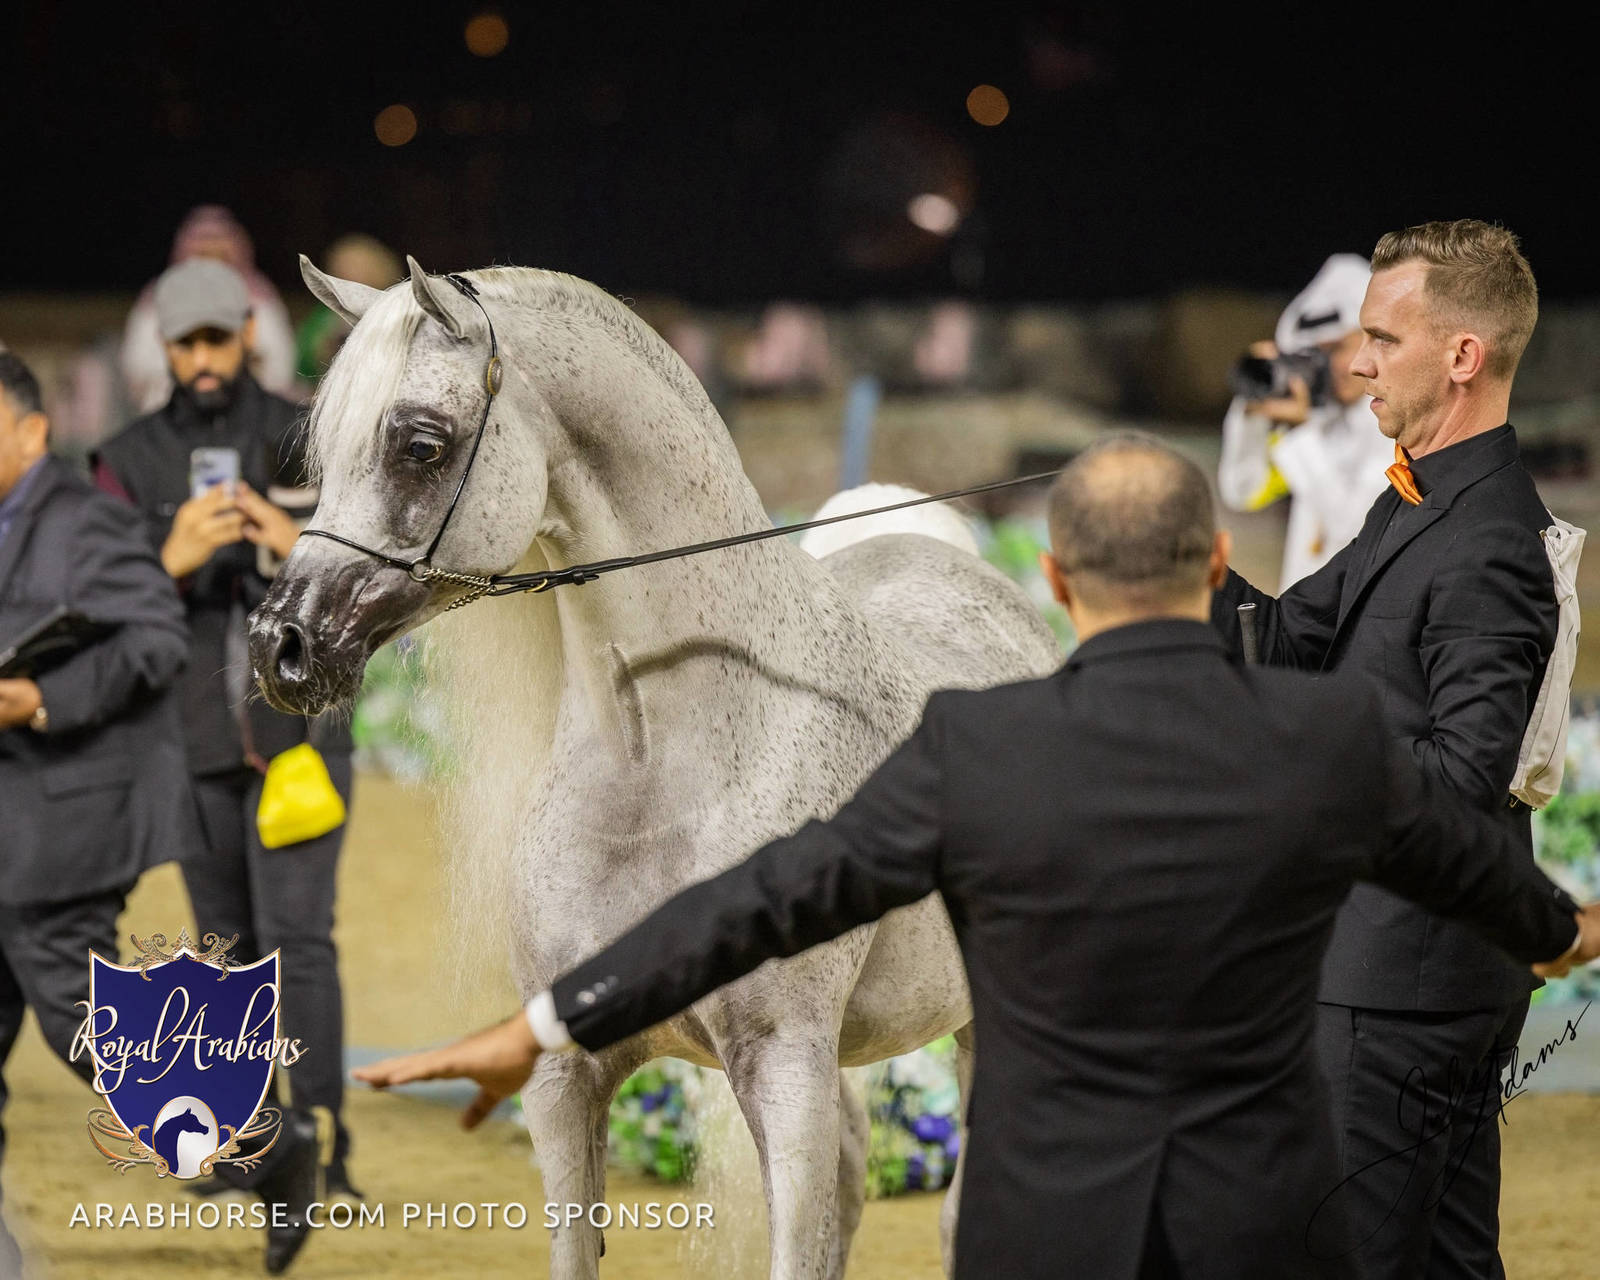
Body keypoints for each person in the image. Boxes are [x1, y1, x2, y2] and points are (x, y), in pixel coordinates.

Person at [354, 435, 1596, 1280]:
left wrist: (555, 1019)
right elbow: (1477, 872)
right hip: (1253, 1209)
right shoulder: (1327, 737)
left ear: (1050, 578)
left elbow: (768, 898)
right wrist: (1563, 930)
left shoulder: (975, 745)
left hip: (1042, 1222)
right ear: (1219, 570)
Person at [1212, 219, 1559, 1278]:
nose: (1354, 363)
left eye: (1379, 338)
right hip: (1413, 973)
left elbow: (1458, 779)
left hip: (1399, 986)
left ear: (1461, 356)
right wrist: (1181, 559)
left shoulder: (1487, 540)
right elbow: (1283, 639)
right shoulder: (1415, 501)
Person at [94, 261, 358, 1234]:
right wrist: (170, 558)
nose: (205, 358)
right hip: (191, 739)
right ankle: (250, 1144)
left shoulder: (305, 432)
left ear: (249, 331)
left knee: (299, 940)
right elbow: (105, 607)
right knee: (225, 953)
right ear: (163, 347)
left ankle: (324, 1142)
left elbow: (366, 566)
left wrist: (292, 540)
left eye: (219, 337)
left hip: (300, 734)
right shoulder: (122, 459)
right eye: (187, 341)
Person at [0, 352, 192, 1277]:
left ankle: (255, 1144)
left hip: (58, 823)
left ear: (33, 432)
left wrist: (39, 697)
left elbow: (158, 636)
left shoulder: (84, 522)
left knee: (84, 1021)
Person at [1219, 253, 1395, 587]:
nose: (1326, 366)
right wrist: (1253, 407)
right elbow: (1242, 490)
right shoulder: (1319, 423)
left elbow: (1352, 528)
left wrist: (1302, 433)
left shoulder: (1397, 425)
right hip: (1304, 630)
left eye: (1337, 348)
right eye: (1314, 353)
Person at [120, 206, 298, 413]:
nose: (211, 264)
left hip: (248, 409)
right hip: (174, 406)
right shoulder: (160, 296)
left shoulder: (258, 297)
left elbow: (280, 363)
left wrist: (243, 361)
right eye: (203, 254)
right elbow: (138, 364)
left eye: (219, 255)